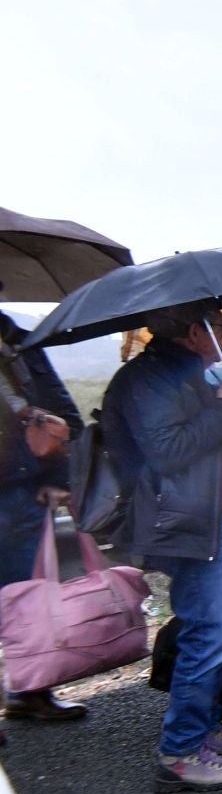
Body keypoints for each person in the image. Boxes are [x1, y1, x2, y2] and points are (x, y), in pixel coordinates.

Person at [102, 302, 222, 791]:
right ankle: (180, 751)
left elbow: (200, 436)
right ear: (193, 332)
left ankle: (205, 727)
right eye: (216, 326)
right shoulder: (148, 380)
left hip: (221, 516)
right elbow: (168, 452)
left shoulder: (189, 373)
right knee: (209, 632)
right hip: (191, 523)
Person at [0, 297, 88, 722]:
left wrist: (60, 478)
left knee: (29, 594)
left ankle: (30, 690)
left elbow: (56, 401)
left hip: (22, 489)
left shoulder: (15, 340)